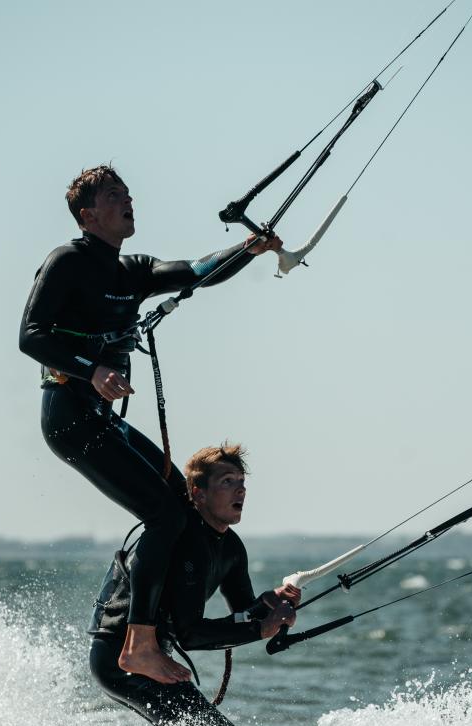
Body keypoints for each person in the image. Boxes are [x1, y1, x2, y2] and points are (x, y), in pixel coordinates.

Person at [19, 165, 282, 685]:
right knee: (164, 514)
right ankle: (138, 643)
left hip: (99, 418)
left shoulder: (132, 271)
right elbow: (31, 337)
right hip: (69, 417)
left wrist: (247, 250)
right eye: (116, 196)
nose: (129, 201)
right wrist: (92, 370)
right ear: (88, 215)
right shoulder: (66, 261)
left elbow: (196, 270)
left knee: (182, 504)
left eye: (129, 193)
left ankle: (169, 625)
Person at [88, 443, 300, 726]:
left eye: (242, 482)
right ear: (197, 493)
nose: (240, 490)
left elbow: (244, 612)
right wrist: (257, 628)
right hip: (120, 660)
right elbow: (191, 634)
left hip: (153, 663)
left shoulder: (230, 547)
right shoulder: (182, 539)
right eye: (227, 481)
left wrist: (272, 605)